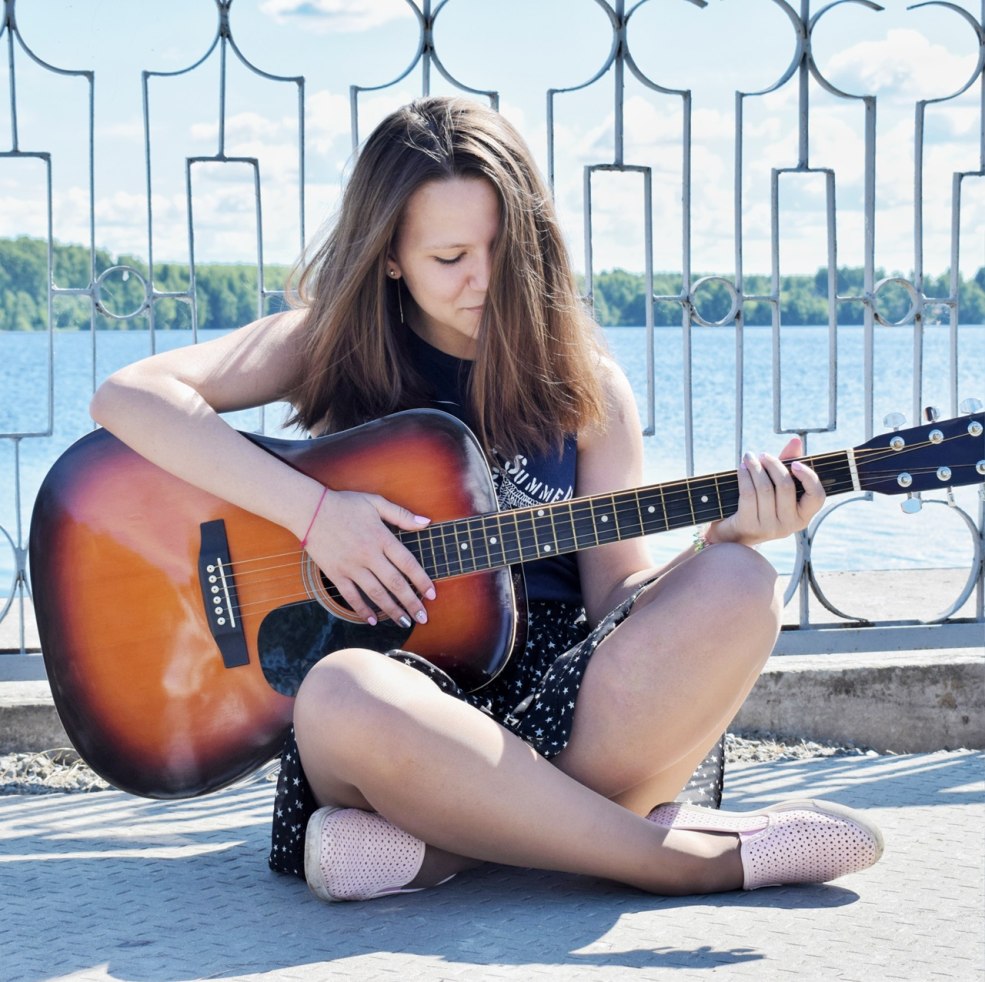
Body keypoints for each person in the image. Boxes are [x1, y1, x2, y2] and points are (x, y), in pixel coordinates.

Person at [90, 95, 883, 902]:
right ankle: (671, 858)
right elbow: (129, 396)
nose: (484, 279)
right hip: (402, 707)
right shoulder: (329, 344)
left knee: (739, 583)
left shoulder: (586, 386)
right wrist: (317, 516)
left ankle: (440, 852)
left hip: (566, 701)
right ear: (389, 257)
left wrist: (722, 540)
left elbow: (617, 592)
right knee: (339, 691)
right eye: (449, 257)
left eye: (503, 248)